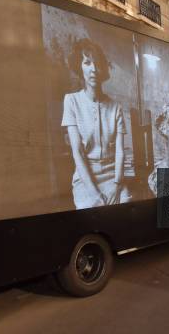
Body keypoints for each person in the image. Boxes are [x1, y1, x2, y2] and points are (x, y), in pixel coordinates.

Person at [61, 38, 130, 209]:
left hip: (113, 174)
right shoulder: (71, 101)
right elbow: (77, 152)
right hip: (86, 177)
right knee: (93, 210)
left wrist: (116, 184)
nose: (93, 69)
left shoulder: (115, 107)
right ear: (79, 66)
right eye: (87, 62)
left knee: (127, 204)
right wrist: (94, 194)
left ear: (102, 68)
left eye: (96, 63)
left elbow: (120, 151)